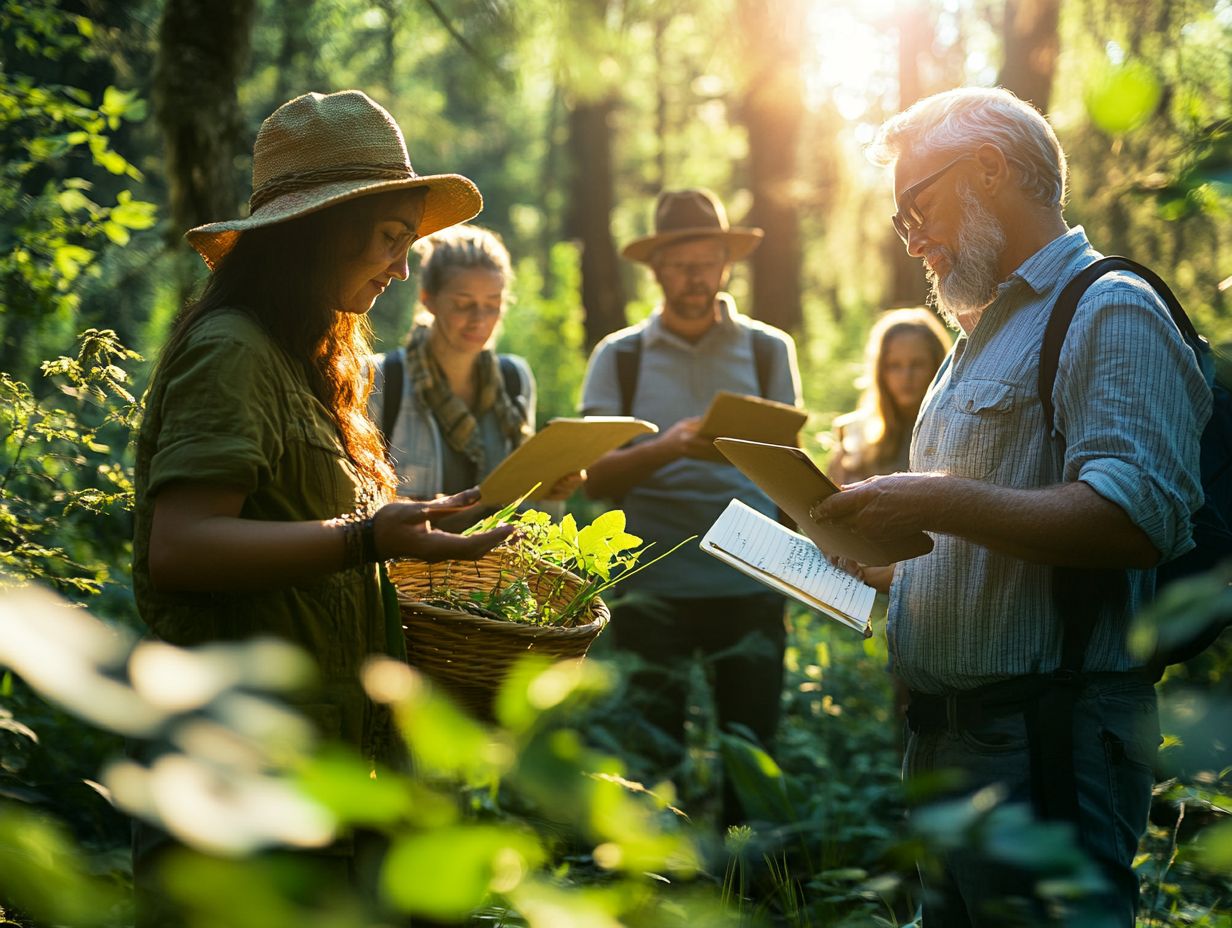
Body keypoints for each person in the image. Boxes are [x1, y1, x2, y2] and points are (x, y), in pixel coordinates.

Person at [811, 87, 1211, 926]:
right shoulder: (978, 336)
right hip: (948, 743)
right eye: (898, 220)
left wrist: (934, 499)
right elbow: (995, 539)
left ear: (989, 169)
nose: (910, 235)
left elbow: (1137, 519)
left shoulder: (1109, 308)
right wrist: (890, 574)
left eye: (916, 204)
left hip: (1049, 748)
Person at [131, 90, 513, 920]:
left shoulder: (308, 359)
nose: (402, 269)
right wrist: (366, 539)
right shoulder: (232, 352)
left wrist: (401, 541)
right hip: (237, 780)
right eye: (388, 239)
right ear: (319, 228)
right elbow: (183, 547)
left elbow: (314, 543)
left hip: (320, 767)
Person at [580, 187, 803, 827]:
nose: (693, 276)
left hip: (753, 580)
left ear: (725, 264)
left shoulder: (767, 349)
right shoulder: (619, 357)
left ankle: (753, 889)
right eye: (679, 264)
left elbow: (788, 465)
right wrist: (668, 446)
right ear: (655, 271)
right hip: (653, 584)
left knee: (752, 752)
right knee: (652, 762)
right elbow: (594, 478)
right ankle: (660, 894)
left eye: (706, 261)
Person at [369, 224, 582, 525]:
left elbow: (526, 514)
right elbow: (359, 504)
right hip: (409, 571)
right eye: (463, 304)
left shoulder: (514, 380)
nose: (479, 320)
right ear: (428, 299)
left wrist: (549, 492)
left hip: (494, 571)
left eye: (492, 305)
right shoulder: (380, 379)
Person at [828, 306, 951, 486]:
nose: (906, 377)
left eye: (917, 365)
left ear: (937, 366)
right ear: (880, 372)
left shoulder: (953, 433)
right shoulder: (854, 435)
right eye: (894, 366)